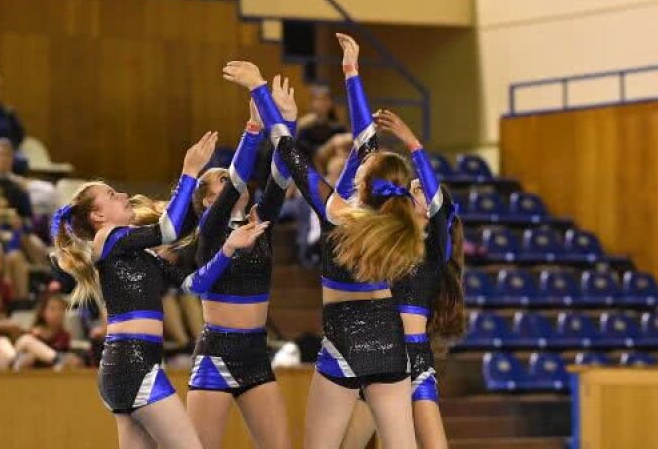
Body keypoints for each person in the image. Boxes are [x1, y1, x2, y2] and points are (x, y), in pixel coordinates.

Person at [223, 38, 424, 449]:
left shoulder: (338, 212)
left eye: (363, 163)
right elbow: (366, 139)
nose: (359, 157)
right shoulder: (393, 219)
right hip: (389, 339)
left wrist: (259, 89)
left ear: (365, 181)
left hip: (343, 338)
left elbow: (291, 153)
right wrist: (351, 72)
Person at [51, 131, 269, 449]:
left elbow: (194, 284)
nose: (123, 195)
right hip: (134, 363)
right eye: (111, 194)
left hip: (126, 368)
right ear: (98, 216)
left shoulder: (139, 254)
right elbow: (167, 230)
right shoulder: (107, 238)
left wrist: (228, 249)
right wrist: (189, 170)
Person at [339, 109, 464, 449]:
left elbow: (438, 203)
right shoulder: (391, 239)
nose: (412, 190)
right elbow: (367, 189)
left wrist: (412, 142)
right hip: (382, 351)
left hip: (417, 355)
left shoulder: (437, 246)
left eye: (418, 188)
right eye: (410, 188)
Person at [185, 97, 295, 449]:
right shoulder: (210, 230)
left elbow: (280, 179)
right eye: (220, 180)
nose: (233, 181)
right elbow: (236, 181)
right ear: (207, 201)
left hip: (255, 353)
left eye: (228, 176)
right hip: (216, 353)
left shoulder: (259, 223)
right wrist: (253, 129)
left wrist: (287, 125)